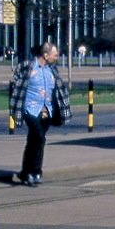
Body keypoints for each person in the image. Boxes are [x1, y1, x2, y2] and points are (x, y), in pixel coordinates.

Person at [9, 42, 71, 187]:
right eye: (55, 55)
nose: (57, 58)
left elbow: (58, 90)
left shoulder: (52, 71)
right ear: (46, 55)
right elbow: (17, 86)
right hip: (30, 110)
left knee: (34, 141)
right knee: (39, 138)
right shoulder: (28, 67)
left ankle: (27, 172)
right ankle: (35, 170)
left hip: (46, 111)